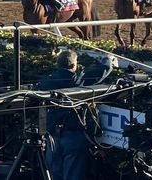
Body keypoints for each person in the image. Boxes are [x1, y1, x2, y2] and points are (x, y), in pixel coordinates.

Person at [33, 50, 110, 180]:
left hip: (52, 136)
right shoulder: (80, 81)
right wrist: (107, 59)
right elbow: (103, 70)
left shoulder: (46, 81)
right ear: (74, 65)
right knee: (73, 174)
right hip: (74, 136)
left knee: (52, 173)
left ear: (57, 64)